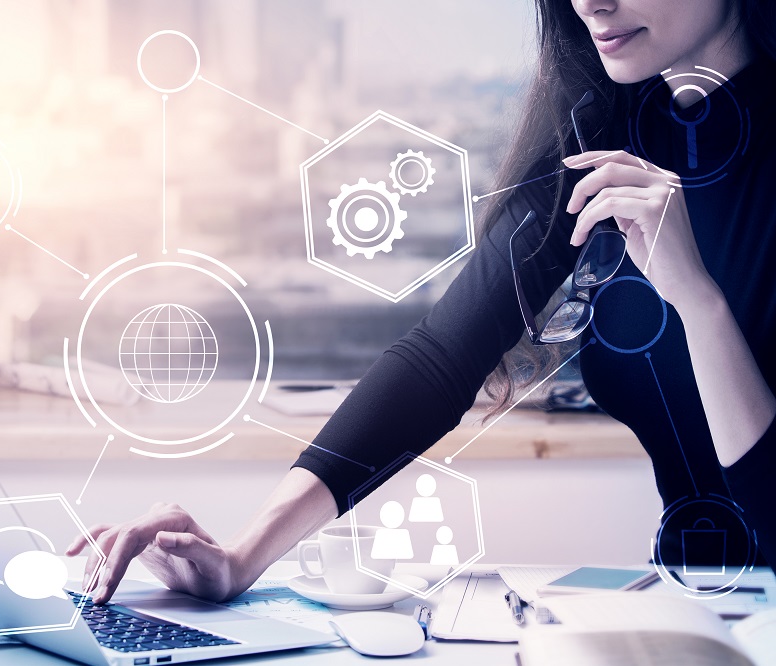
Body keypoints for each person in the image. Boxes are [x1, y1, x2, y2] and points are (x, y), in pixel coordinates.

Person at [68, 0, 776, 604]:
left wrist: (697, 302)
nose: (590, 0)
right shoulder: (605, 139)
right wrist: (242, 557)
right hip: (689, 622)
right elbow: (443, 359)